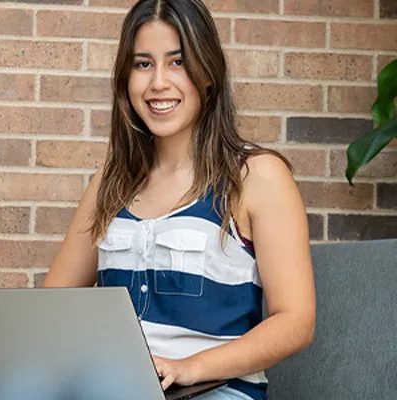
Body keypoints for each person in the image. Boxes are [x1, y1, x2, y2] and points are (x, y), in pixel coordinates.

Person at [43, 0, 316, 399]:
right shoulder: (110, 182)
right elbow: (53, 306)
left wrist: (188, 369)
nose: (158, 83)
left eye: (176, 62)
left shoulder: (256, 177)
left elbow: (296, 321)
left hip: (216, 391)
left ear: (207, 74)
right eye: (142, 64)